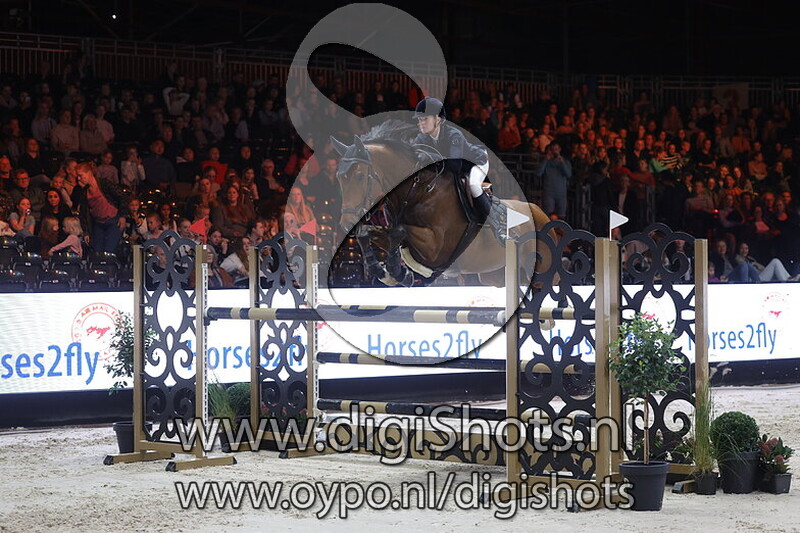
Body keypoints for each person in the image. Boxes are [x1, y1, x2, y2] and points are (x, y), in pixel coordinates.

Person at [412, 97, 505, 237]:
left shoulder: (454, 135)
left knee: (473, 185)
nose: (421, 123)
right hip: (450, 167)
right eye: (419, 120)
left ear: (438, 119)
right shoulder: (421, 138)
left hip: (475, 162)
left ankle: (497, 226)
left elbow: (455, 165)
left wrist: (429, 156)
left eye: (425, 119)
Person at [535, 141, 573, 219]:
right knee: (548, 216)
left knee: (561, 216)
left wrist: (562, 162)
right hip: (549, 192)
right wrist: (545, 160)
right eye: (553, 149)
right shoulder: (546, 161)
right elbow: (538, 173)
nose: (555, 151)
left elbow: (568, 174)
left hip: (561, 193)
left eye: (556, 149)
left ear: (560, 149)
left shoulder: (565, 161)